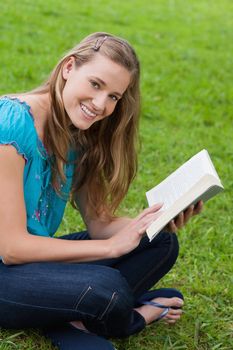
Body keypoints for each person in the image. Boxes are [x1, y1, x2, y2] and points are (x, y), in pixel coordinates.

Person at [0, 32, 203, 350]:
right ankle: (134, 317)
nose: (101, 104)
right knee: (105, 288)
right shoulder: (9, 123)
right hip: (6, 269)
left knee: (160, 242)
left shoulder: (79, 135)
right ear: (69, 67)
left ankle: (69, 317)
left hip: (35, 264)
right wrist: (111, 249)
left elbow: (99, 223)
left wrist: (157, 220)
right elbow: (12, 248)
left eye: (114, 96)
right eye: (96, 84)